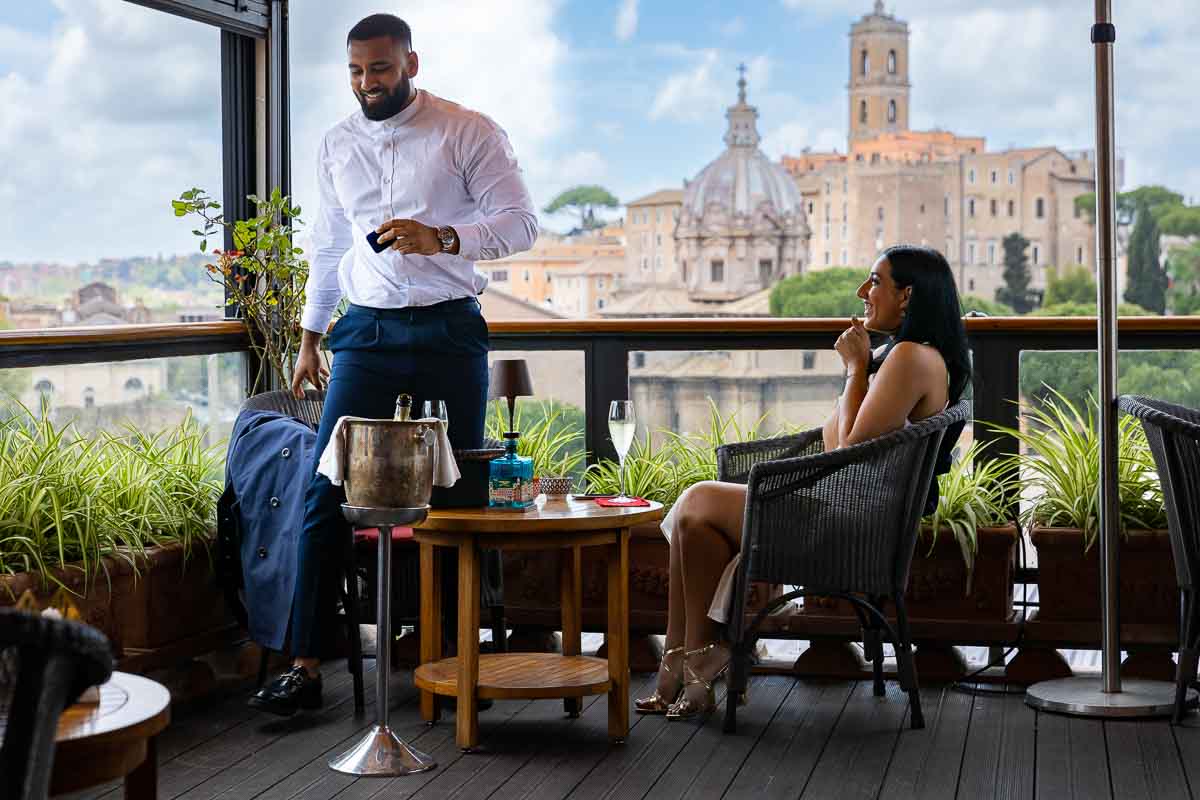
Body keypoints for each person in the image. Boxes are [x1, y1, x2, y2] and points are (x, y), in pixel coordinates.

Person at [249, 13, 537, 715]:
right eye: (354, 71)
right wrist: (312, 336)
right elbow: (325, 246)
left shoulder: (468, 131)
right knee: (325, 490)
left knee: (461, 492)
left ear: (410, 62)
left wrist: (442, 236)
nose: (366, 84)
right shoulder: (336, 144)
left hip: (449, 329)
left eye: (378, 69)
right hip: (366, 336)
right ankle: (304, 664)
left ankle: (456, 657)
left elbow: (522, 224)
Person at [637, 245, 971, 719]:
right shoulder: (902, 356)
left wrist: (856, 368)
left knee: (697, 497)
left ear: (907, 295)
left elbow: (841, 449)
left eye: (874, 281)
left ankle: (689, 663)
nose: (862, 292)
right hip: (848, 510)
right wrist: (861, 371)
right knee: (694, 526)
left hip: (851, 525)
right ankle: (691, 670)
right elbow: (839, 435)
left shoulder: (910, 358)